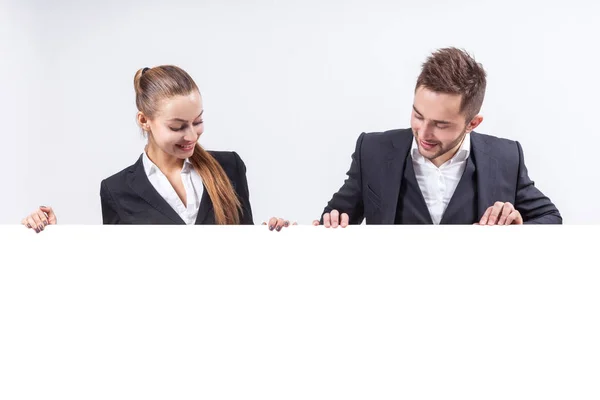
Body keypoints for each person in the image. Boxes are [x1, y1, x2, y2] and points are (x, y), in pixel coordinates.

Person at [22, 65, 292, 233]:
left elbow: (249, 251)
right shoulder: (116, 190)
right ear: (144, 120)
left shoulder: (229, 167)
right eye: (177, 127)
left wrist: (274, 234)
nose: (191, 136)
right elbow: (115, 271)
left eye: (197, 122)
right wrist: (51, 239)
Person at [314, 47, 562, 228]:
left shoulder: (506, 157)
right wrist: (291, 231)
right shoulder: (372, 151)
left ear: (472, 123)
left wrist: (518, 228)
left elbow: (551, 218)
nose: (423, 133)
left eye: (441, 125)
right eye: (418, 115)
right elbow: (334, 218)